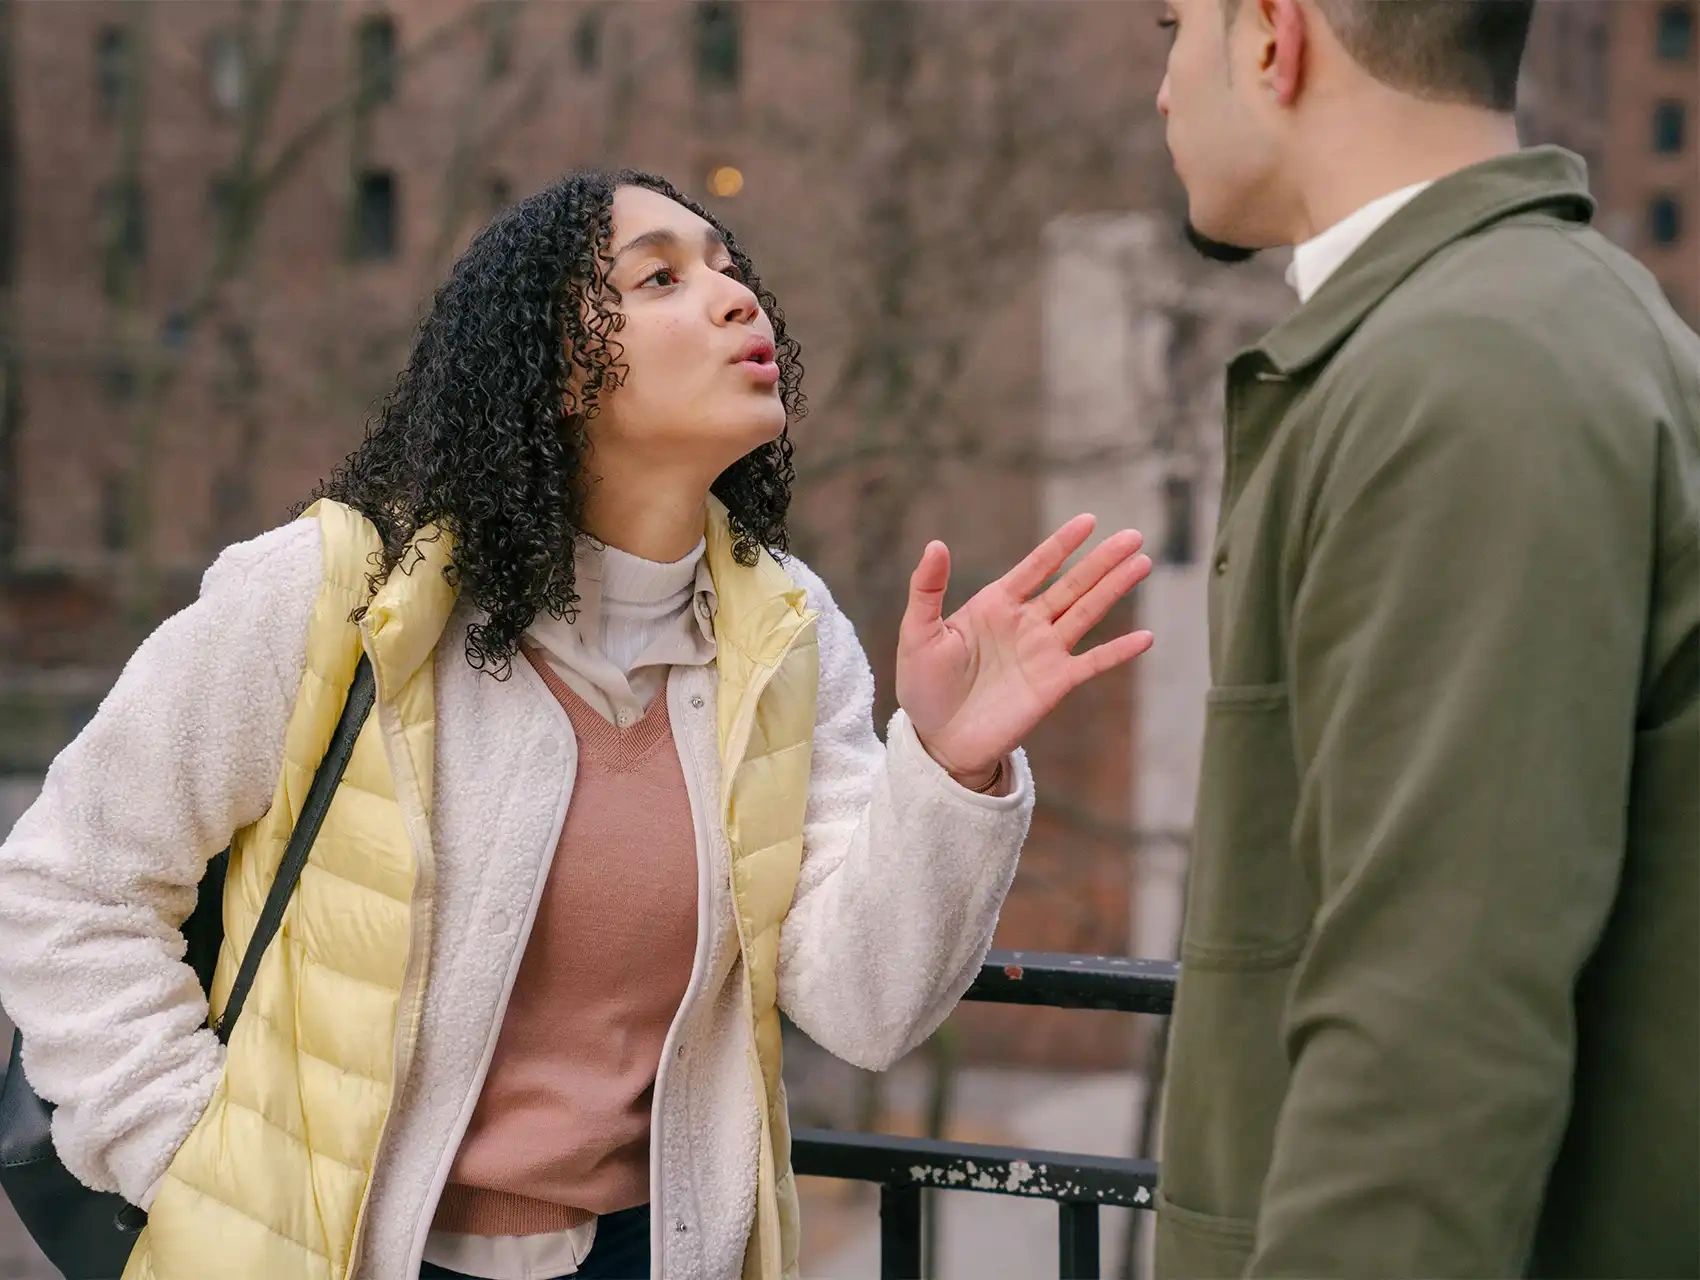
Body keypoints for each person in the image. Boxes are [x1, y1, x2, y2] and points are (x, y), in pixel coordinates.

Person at [0, 169, 1156, 1280]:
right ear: (554, 372)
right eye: (658, 278)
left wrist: (949, 763)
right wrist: (201, 1165)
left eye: (727, 264)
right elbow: (68, 886)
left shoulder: (787, 638)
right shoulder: (336, 594)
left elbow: (862, 1004)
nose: (735, 294)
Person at [1153, 0, 1699, 1276]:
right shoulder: (1524, 332)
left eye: (1174, 26)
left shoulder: (1468, 376)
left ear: (1271, 39)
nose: (1163, 87)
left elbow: (1428, 1027)